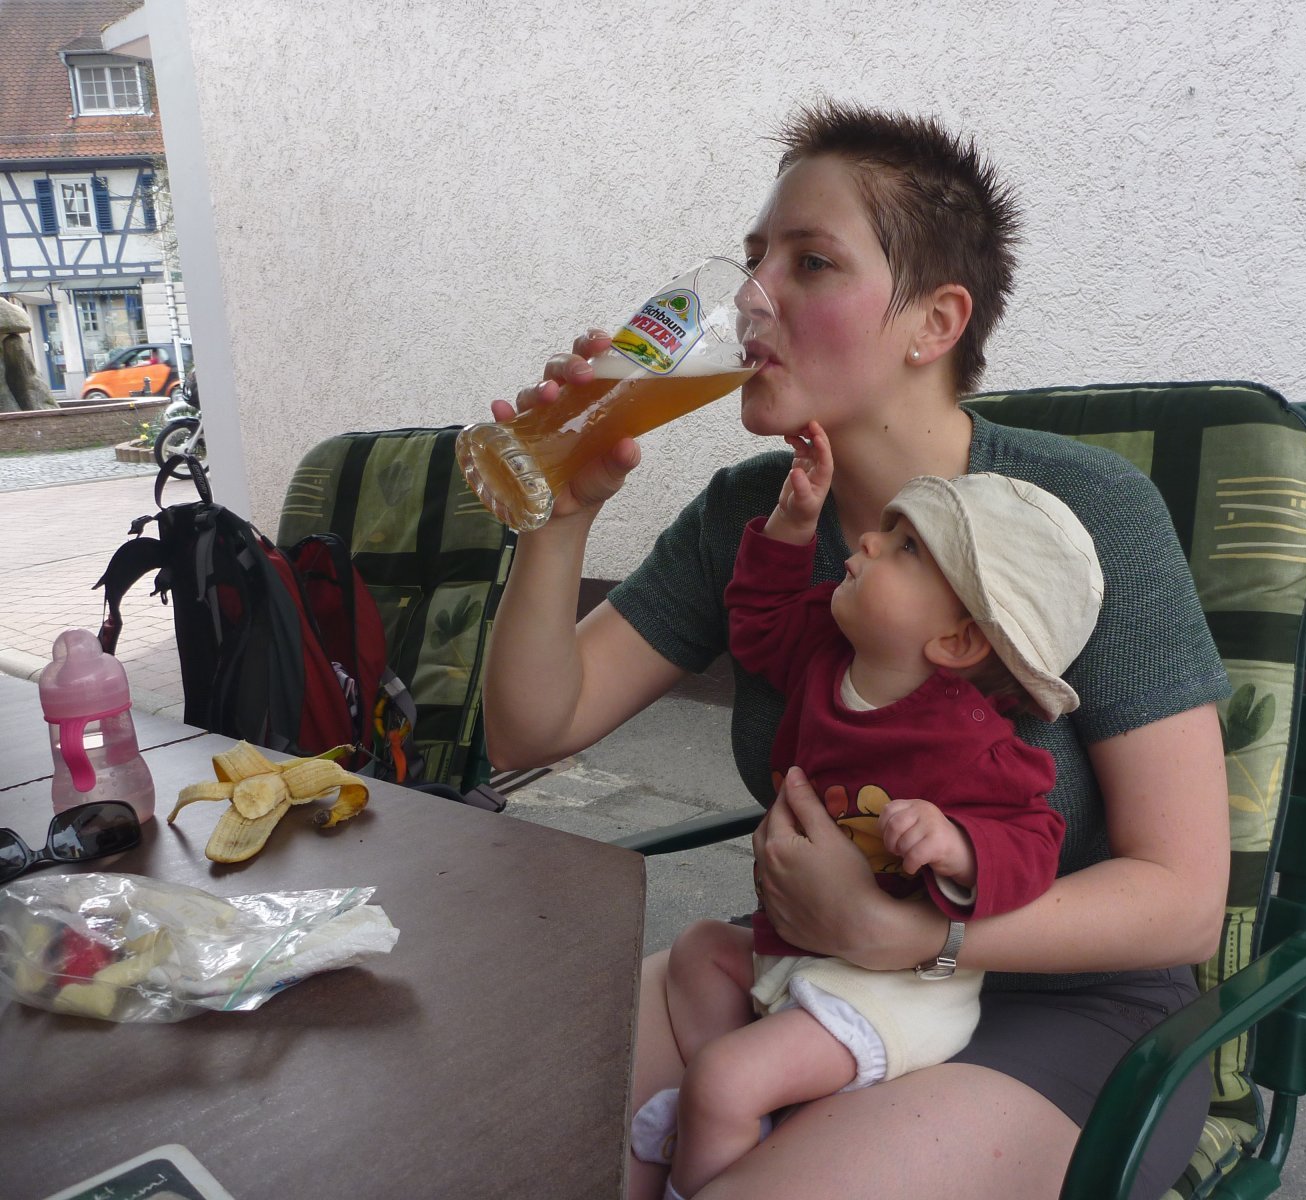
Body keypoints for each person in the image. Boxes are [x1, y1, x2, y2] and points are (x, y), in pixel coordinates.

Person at [483, 100, 1232, 1200]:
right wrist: (558, 517)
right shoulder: (753, 518)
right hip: (812, 977)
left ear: (935, 322)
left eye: (811, 262)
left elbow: (1183, 895)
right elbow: (530, 729)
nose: (752, 297)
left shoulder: (1077, 520)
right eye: (753, 261)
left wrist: (908, 935)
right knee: (519, 1153)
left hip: (1066, 1009)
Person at [632, 424, 1101, 1198]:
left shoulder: (974, 747)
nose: (871, 542)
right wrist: (790, 528)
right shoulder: (827, 648)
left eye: (908, 548)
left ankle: (721, 1111)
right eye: (889, 530)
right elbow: (757, 626)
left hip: (897, 990)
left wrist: (959, 844)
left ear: (957, 641)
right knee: (698, 950)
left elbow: (1034, 841)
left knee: (721, 1077)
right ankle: (749, 1111)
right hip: (804, 949)